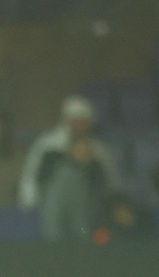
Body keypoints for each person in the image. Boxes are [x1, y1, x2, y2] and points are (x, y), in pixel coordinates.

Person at [18, 96, 120, 241]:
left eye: (83, 121)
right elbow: (33, 176)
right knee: (66, 173)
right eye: (75, 121)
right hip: (51, 207)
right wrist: (69, 159)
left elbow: (108, 185)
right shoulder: (48, 144)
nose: (79, 125)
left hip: (87, 210)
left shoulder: (99, 151)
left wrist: (89, 164)